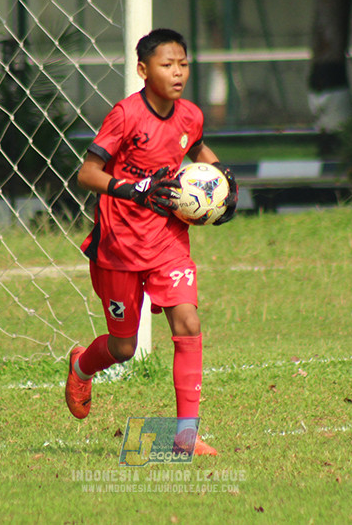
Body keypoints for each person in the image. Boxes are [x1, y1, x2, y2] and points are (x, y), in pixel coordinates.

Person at [65, 28, 237, 457]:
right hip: (119, 244)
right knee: (123, 346)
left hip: (168, 239)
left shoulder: (191, 115)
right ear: (143, 70)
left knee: (188, 323)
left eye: (183, 64)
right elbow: (87, 174)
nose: (177, 73)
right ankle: (81, 365)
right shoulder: (125, 115)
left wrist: (223, 183)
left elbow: (197, 148)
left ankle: (186, 435)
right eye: (167, 64)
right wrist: (133, 189)